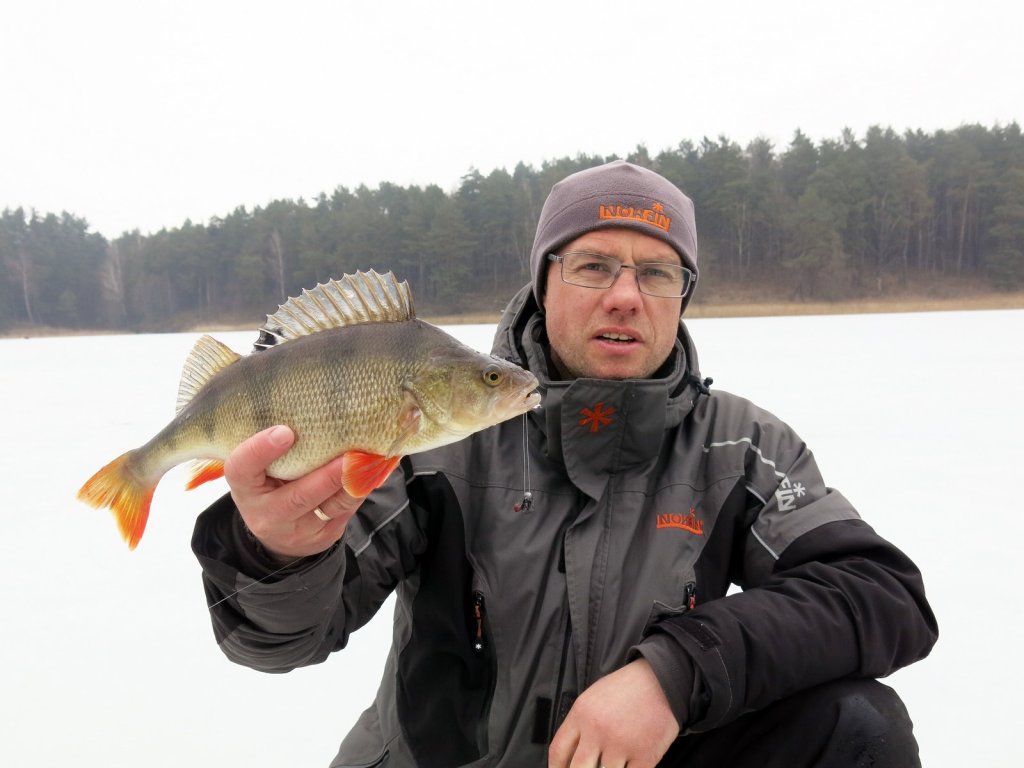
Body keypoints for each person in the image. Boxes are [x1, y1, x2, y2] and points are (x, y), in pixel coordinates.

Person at [192, 160, 938, 767]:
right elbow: (278, 642)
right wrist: (278, 553)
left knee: (858, 727)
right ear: (543, 283)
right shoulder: (428, 432)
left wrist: (674, 675)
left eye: (656, 274)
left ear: (683, 298)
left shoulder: (736, 447)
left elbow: (881, 596)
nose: (624, 297)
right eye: (593, 266)